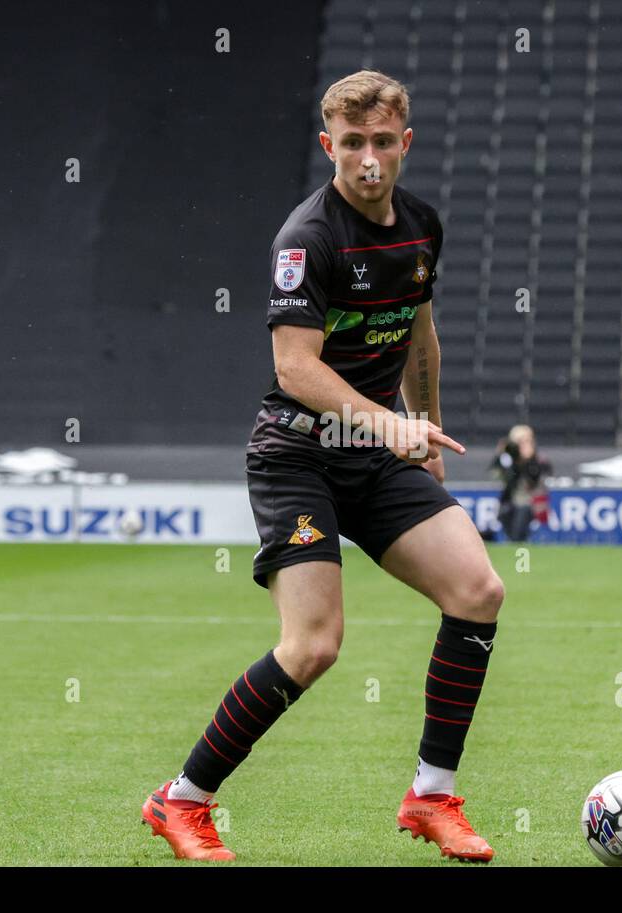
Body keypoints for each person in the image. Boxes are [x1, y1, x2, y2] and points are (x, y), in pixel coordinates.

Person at [142, 71, 505, 862]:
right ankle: (181, 802)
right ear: (327, 145)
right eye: (352, 145)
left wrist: (428, 430)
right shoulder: (309, 238)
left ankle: (432, 798)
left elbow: (419, 337)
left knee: (478, 591)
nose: (368, 160)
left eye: (382, 143)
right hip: (297, 453)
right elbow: (296, 367)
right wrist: (389, 424)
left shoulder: (422, 227)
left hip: (376, 455)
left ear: (404, 143)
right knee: (312, 647)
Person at [490, 424, 552, 542]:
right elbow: (500, 475)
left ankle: (521, 551)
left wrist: (529, 460)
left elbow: (536, 479)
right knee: (510, 531)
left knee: (518, 533)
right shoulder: (508, 458)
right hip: (510, 501)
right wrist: (501, 455)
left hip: (529, 501)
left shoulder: (538, 459)